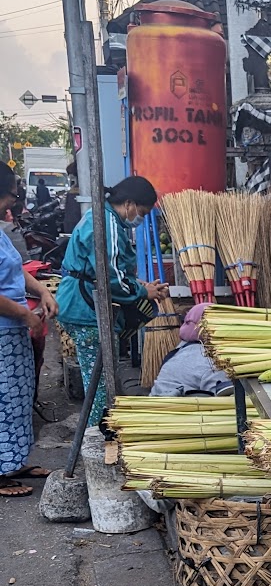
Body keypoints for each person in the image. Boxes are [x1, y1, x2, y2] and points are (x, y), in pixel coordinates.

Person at [57, 174, 168, 427]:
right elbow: (111, 277)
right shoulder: (108, 224)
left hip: (79, 304)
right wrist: (143, 293)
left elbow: (107, 270)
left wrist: (141, 285)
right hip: (85, 311)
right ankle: (96, 439)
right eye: (141, 212)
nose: (139, 219)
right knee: (98, 383)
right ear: (129, 204)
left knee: (101, 376)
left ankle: (102, 428)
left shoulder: (104, 218)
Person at [0, 164, 58, 496]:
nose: (13, 200)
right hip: (4, 327)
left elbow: (17, 271)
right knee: (3, 399)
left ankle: (13, 461)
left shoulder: (1, 231)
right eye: (11, 193)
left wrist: (44, 292)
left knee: (19, 396)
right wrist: (24, 315)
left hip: (13, 328)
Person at [150, 303, 234, 398]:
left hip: (156, 401)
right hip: (179, 408)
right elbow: (225, 394)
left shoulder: (180, 350)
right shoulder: (209, 361)